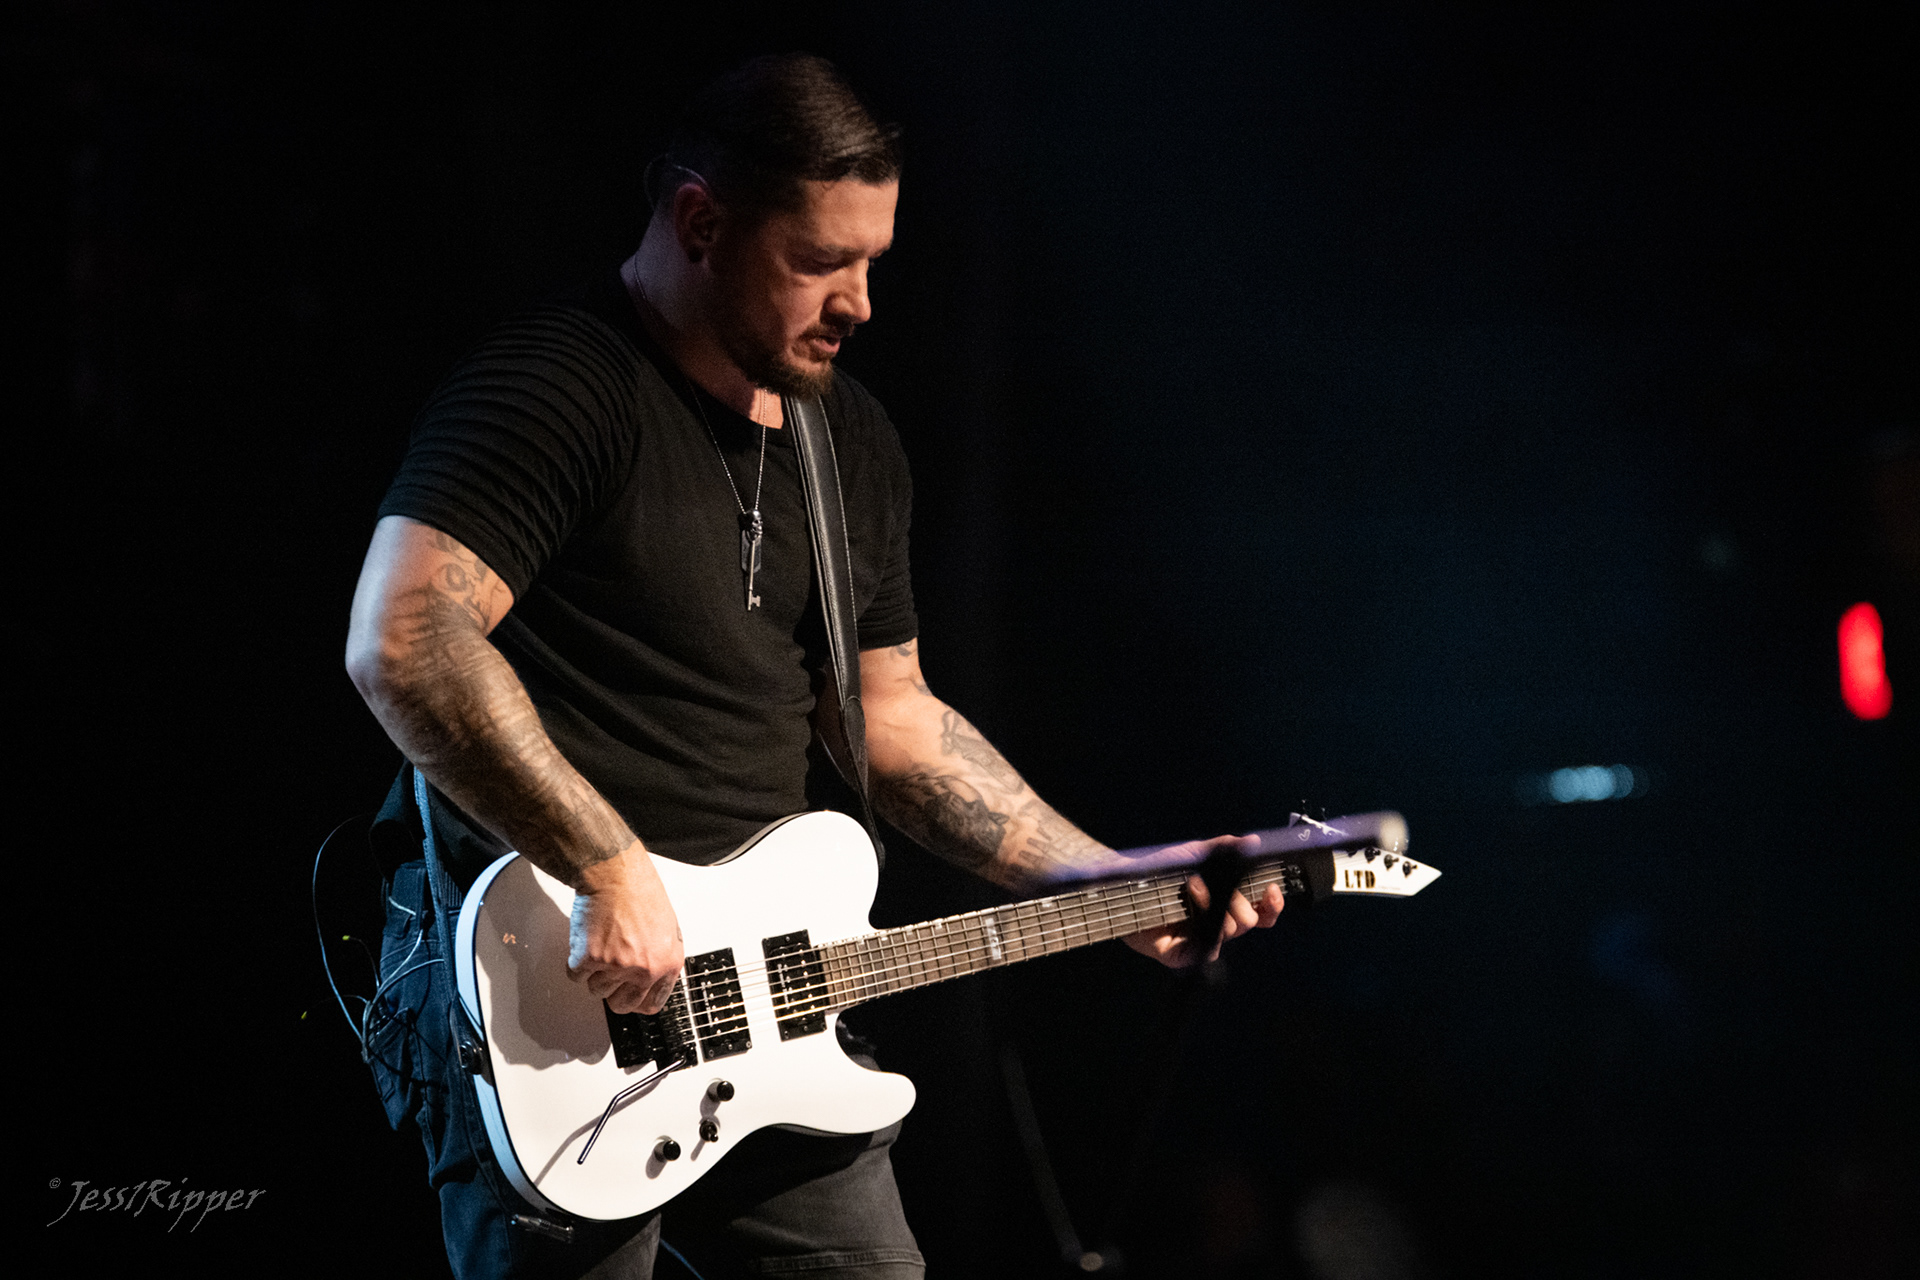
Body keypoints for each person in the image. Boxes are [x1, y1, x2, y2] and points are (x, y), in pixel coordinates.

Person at [345, 53, 1282, 1280]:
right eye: (822, 260)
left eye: (873, 262)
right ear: (701, 223)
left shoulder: (849, 442)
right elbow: (406, 639)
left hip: (771, 1000)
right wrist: (607, 863)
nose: (861, 302)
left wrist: (1105, 878)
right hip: (548, 999)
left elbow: (890, 720)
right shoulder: (557, 388)